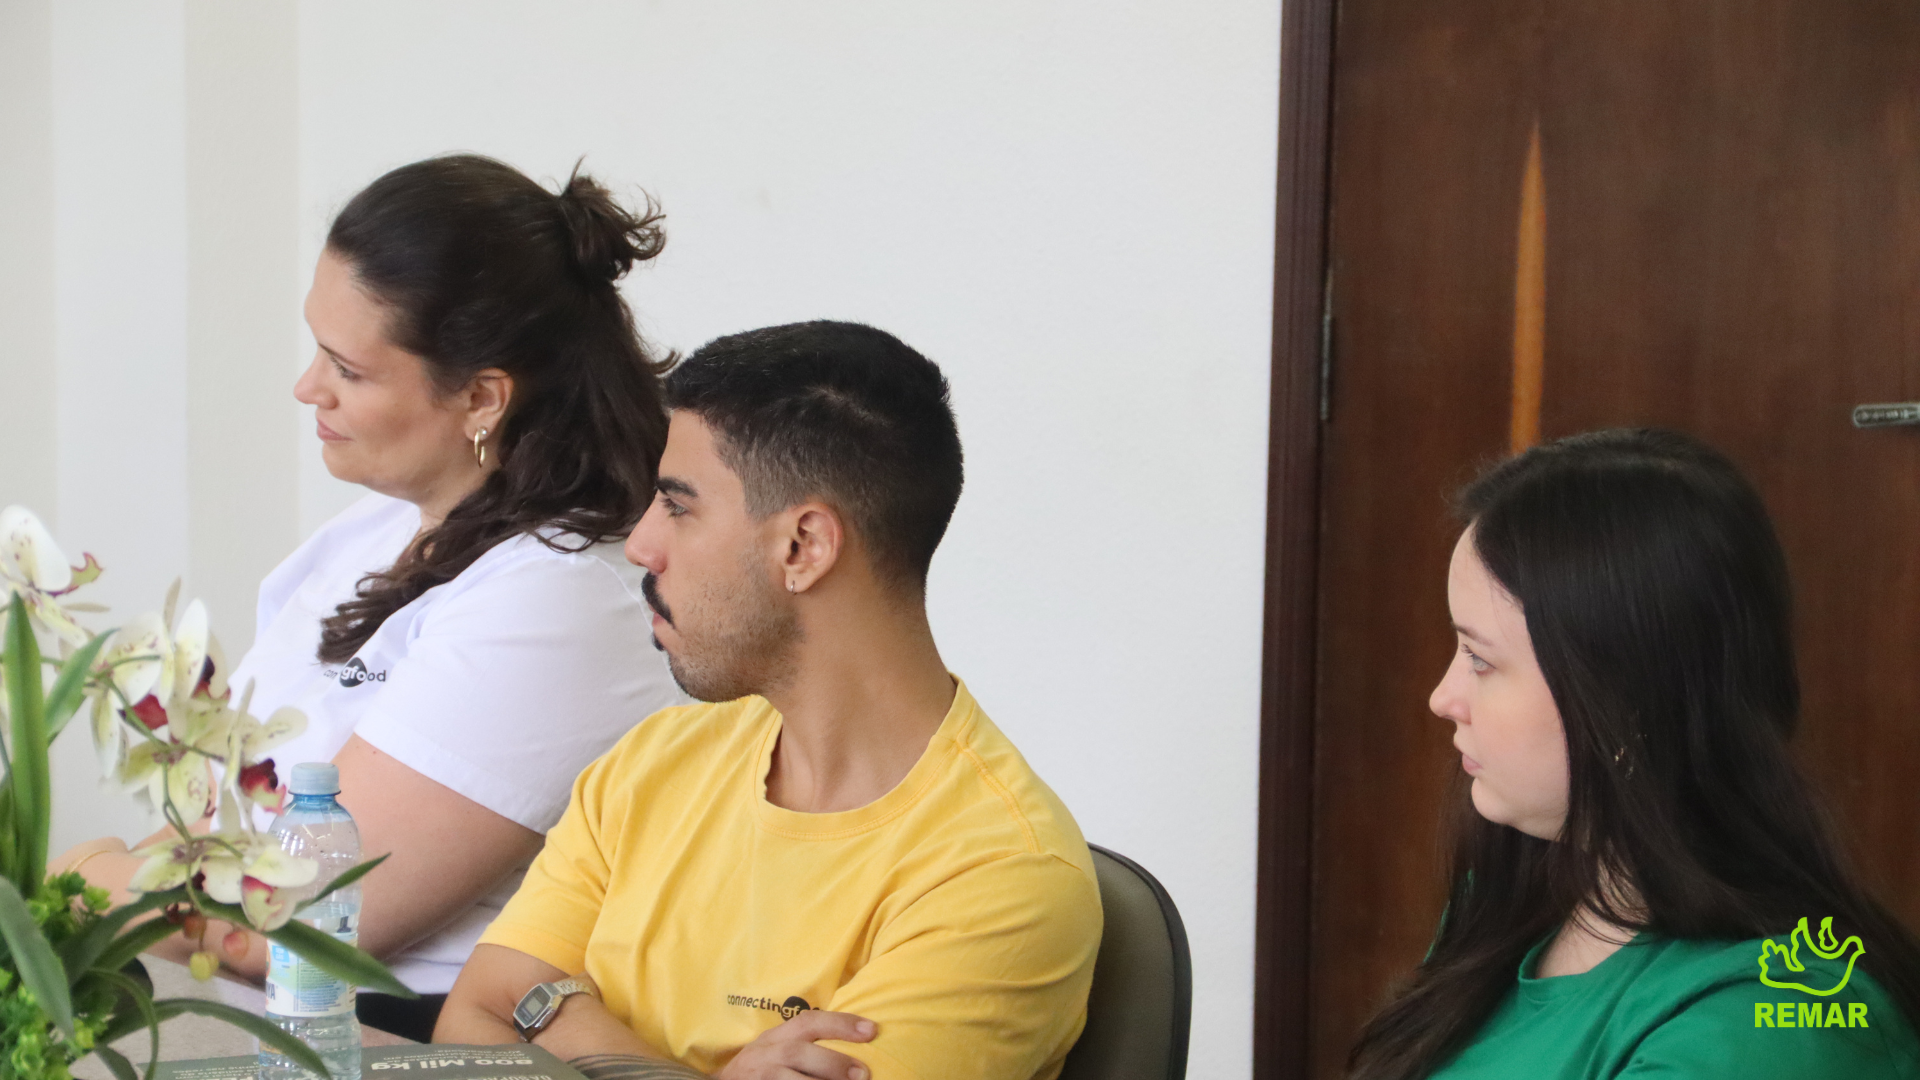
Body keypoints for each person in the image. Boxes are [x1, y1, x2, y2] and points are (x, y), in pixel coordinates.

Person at [55, 154, 685, 1042]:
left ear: (481, 398)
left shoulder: (565, 599)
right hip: (247, 1015)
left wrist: (88, 869)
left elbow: (294, 919)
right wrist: (124, 881)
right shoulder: (378, 526)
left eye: (346, 369)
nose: (306, 388)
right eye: (317, 346)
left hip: (401, 1041)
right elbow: (217, 821)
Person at [434, 321, 1103, 1080]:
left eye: (677, 506)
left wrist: (556, 1015)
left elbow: (513, 1017)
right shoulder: (652, 762)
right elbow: (474, 1024)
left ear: (802, 547)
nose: (642, 545)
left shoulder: (1001, 879)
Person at [1348, 428, 1920, 1080]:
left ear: (1625, 704)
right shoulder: (1516, 895)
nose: (1442, 698)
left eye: (1480, 659)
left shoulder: (1768, 1026)